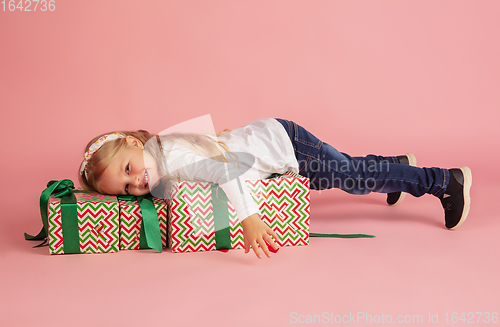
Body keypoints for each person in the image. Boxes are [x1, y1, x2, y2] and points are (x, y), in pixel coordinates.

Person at [78, 118, 472, 259]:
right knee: (349, 169)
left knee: (351, 177)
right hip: (276, 143)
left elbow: (227, 172)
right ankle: (397, 168)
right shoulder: (162, 154)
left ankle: (443, 181)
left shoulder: (172, 156)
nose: (137, 183)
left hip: (288, 148)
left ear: (133, 142)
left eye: (129, 170)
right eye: (127, 189)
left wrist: (249, 218)